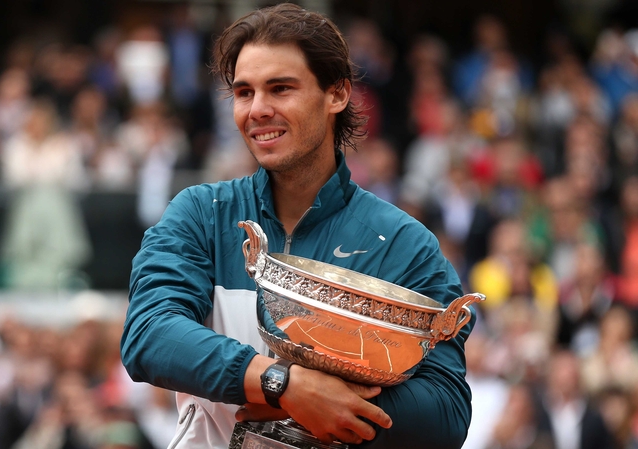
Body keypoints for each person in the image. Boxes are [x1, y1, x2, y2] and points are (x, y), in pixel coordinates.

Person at [120, 4, 475, 448]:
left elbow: (446, 412)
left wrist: (330, 403)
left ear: (337, 94)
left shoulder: (404, 244)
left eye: (280, 88)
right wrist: (281, 385)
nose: (257, 109)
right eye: (244, 92)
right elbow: (149, 334)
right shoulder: (200, 213)